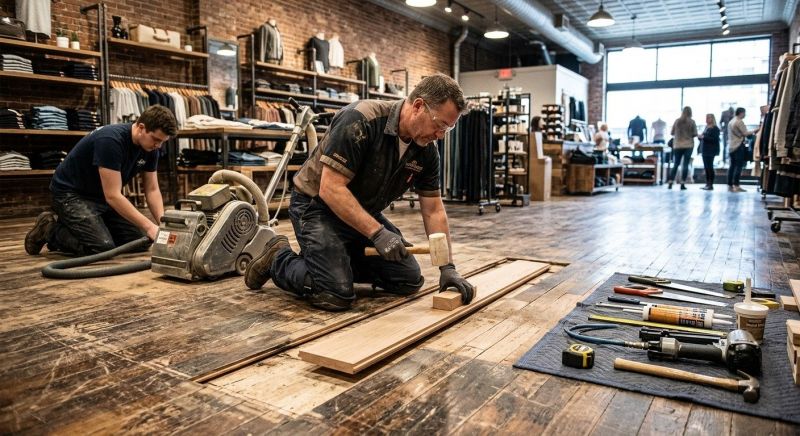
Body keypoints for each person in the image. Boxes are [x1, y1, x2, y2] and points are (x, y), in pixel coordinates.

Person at [244, 73, 475, 311]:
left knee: (407, 279)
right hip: (316, 207)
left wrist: (447, 267)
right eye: (439, 125)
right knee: (334, 293)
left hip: (360, 212)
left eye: (448, 128)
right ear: (418, 106)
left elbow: (434, 209)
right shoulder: (360, 120)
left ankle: (333, 262)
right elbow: (330, 189)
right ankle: (278, 258)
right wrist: (377, 233)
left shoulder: (426, 152)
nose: (440, 135)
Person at [24, 105, 177, 256]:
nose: (158, 145)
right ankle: (49, 229)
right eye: (156, 139)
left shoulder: (151, 148)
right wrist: (150, 226)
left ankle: (88, 228)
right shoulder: (111, 140)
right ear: (141, 127)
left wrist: (163, 223)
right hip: (70, 194)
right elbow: (112, 195)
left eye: (162, 142)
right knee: (101, 247)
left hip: (100, 196)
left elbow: (152, 190)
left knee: (139, 241)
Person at [727, 107, 759, 192]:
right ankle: (736, 185)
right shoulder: (739, 121)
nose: (745, 115)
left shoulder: (731, 121)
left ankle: (730, 184)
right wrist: (755, 130)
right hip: (738, 146)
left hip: (731, 146)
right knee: (738, 166)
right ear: (741, 113)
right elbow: (745, 133)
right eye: (744, 113)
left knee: (732, 165)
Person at [667, 106, 698, 190]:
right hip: (688, 145)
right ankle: (682, 183)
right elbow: (695, 134)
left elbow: (672, 133)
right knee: (685, 164)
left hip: (677, 145)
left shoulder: (677, 121)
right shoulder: (692, 122)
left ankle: (670, 182)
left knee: (676, 164)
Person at [697, 113, 720, 190]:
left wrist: (704, 137)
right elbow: (704, 138)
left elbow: (714, 139)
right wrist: (700, 137)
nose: (706, 119)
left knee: (710, 167)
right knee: (706, 167)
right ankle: (707, 183)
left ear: (712, 119)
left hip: (711, 150)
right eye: (706, 118)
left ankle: (710, 184)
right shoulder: (706, 127)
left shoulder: (715, 128)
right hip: (705, 149)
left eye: (708, 118)